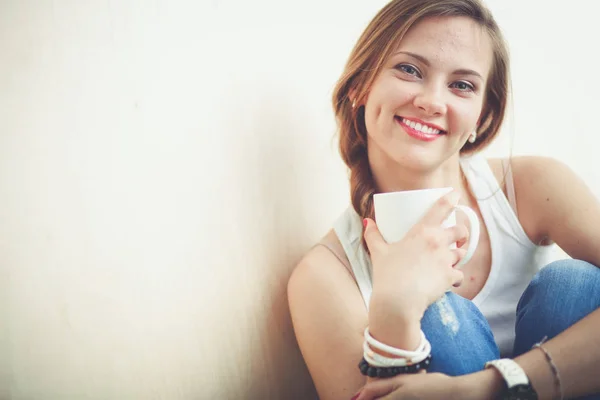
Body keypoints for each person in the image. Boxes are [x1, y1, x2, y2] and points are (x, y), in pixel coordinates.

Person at [287, 0, 600, 399]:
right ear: (358, 87)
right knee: (435, 315)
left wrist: (490, 387)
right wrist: (393, 314)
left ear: (483, 118)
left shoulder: (533, 186)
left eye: (462, 85)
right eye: (409, 69)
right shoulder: (324, 277)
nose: (432, 101)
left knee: (574, 284)